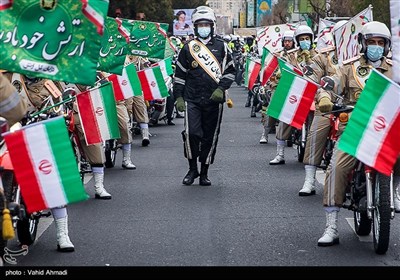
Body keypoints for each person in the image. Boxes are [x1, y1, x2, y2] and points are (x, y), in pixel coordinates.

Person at [316, 21, 400, 246]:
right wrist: (324, 96)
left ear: (386, 46)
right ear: (363, 44)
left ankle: (394, 189)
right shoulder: (349, 68)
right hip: (355, 129)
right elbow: (331, 83)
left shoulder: (395, 69)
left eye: (380, 43)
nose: (375, 46)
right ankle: (331, 225)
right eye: (371, 42)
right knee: (336, 167)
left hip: (386, 130)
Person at [173, 5, 236, 186]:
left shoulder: (222, 47)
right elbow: (179, 75)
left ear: (212, 25)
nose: (203, 27)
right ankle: (192, 169)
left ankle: (204, 172)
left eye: (206, 24)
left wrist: (221, 89)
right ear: (195, 27)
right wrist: (178, 97)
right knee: (192, 133)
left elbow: (231, 71)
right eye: (200, 25)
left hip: (213, 100)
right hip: (192, 98)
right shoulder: (187, 48)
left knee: (210, 136)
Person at [297, 20, 346, 196]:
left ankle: (392, 191)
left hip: (359, 106)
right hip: (330, 103)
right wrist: (311, 74)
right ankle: (309, 180)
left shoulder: (363, 59)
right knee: (317, 131)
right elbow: (312, 75)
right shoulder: (325, 56)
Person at [269, 25, 317, 165]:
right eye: (301, 39)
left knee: (317, 122)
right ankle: (280, 153)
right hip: (296, 92)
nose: (304, 41)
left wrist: (309, 60)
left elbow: (323, 72)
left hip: (312, 94)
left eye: (307, 39)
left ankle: (314, 155)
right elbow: (285, 69)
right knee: (285, 117)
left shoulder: (319, 55)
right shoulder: (292, 55)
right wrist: (279, 74)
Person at [259, 30, 296, 144]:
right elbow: (270, 72)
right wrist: (272, 84)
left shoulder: (298, 55)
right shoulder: (278, 55)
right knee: (273, 109)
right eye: (286, 41)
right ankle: (265, 133)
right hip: (279, 86)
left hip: (295, 86)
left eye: (290, 41)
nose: (287, 43)